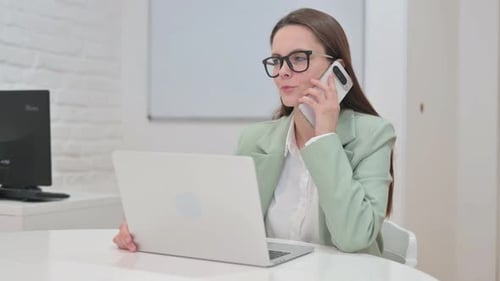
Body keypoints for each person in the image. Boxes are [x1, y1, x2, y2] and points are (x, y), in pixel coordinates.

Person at [113, 7, 395, 256]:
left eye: (298, 59)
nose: (283, 71)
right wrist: (148, 231)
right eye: (276, 60)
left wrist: (324, 138)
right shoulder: (256, 139)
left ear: (337, 69)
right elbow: (224, 222)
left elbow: (354, 238)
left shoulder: (373, 135)